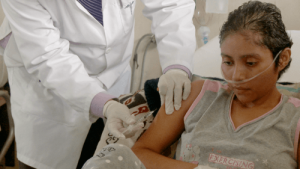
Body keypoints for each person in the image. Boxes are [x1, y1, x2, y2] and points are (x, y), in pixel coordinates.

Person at [0, 0, 196, 168]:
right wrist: (104, 103)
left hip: (114, 76)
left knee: (104, 155)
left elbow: (171, 5)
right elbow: (48, 57)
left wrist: (177, 65)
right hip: (49, 97)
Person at [130, 1, 299, 168]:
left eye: (250, 63)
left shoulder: (294, 119)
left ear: (282, 58)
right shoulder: (198, 95)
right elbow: (139, 153)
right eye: (228, 62)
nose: (236, 75)